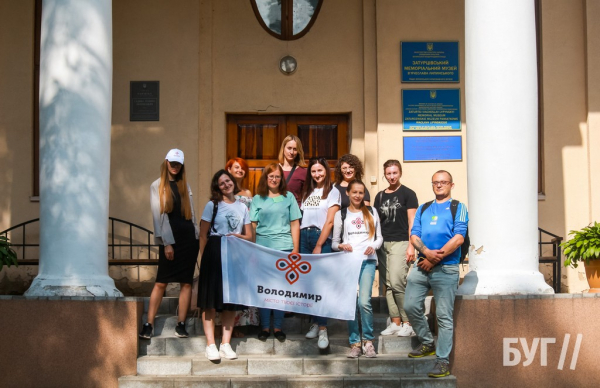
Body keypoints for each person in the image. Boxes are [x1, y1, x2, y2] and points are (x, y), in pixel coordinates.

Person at [404, 170, 468, 378]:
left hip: (447, 268)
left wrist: (434, 258)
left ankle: (442, 361)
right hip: (422, 265)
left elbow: (459, 238)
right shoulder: (424, 208)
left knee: (443, 316)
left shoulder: (458, 207)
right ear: (432, 185)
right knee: (410, 305)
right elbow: (414, 235)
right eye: (436, 183)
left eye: (444, 182)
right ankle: (427, 342)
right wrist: (426, 254)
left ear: (451, 184)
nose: (439, 185)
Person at [140, 149, 200, 340]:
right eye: (172, 162)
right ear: (166, 162)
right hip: (170, 241)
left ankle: (181, 324)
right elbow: (158, 217)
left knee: (186, 283)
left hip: (189, 240)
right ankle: (149, 324)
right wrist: (167, 243)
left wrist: (197, 237)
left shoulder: (185, 185)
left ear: (182, 165)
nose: (175, 166)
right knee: (160, 282)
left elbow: (191, 215)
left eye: (178, 163)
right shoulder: (156, 186)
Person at [197, 170, 253, 361]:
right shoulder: (212, 205)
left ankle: (226, 344)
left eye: (228, 181)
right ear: (217, 187)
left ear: (233, 182)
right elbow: (203, 234)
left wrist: (238, 237)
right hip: (214, 252)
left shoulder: (243, 207)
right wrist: (204, 259)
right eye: (221, 183)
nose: (226, 185)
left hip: (234, 253)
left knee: (230, 301)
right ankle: (210, 344)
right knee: (210, 302)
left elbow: (249, 236)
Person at [250, 163, 302, 341]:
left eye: (277, 176)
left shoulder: (289, 197)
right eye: (270, 176)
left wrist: (295, 248)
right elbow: (253, 226)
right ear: (265, 178)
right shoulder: (257, 199)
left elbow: (295, 223)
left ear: (281, 179)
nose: (273, 179)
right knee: (265, 289)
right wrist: (253, 249)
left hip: (284, 248)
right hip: (262, 248)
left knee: (280, 290)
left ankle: (278, 327)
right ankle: (265, 327)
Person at [332, 180, 383, 358]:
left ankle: (368, 341)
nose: (357, 195)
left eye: (361, 193)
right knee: (351, 303)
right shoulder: (341, 214)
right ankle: (355, 343)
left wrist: (374, 247)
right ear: (348, 192)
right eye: (354, 192)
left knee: (364, 302)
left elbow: (379, 238)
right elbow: (334, 243)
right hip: (348, 263)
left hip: (367, 261)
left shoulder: (371, 211)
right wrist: (342, 247)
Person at [300, 156, 341, 349]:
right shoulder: (308, 192)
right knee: (309, 283)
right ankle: (315, 323)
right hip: (303, 236)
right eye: (314, 171)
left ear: (326, 171)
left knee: (321, 284)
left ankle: (323, 329)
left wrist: (319, 244)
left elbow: (330, 221)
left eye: (320, 170)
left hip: (320, 238)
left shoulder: (333, 192)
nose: (317, 174)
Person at [374, 159, 419, 337]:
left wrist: (411, 246)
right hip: (383, 244)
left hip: (401, 242)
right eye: (388, 173)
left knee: (398, 282)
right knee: (389, 285)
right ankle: (395, 322)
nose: (392, 176)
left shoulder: (408, 194)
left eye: (395, 173)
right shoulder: (379, 196)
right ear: (384, 174)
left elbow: (412, 222)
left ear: (400, 173)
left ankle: (408, 322)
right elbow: (376, 222)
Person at [219, 158, 260, 335]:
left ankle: (240, 324)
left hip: (244, 241)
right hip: (228, 241)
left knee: (243, 282)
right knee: (227, 283)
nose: (240, 171)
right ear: (228, 169)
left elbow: (250, 220)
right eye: (236, 168)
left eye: (243, 168)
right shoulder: (224, 191)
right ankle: (225, 326)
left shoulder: (248, 192)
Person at [278, 135, 307, 207]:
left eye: (295, 149)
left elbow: (306, 196)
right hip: (276, 211)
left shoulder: (302, 172)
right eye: (289, 148)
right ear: (283, 148)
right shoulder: (273, 169)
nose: (291, 152)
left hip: (295, 213)